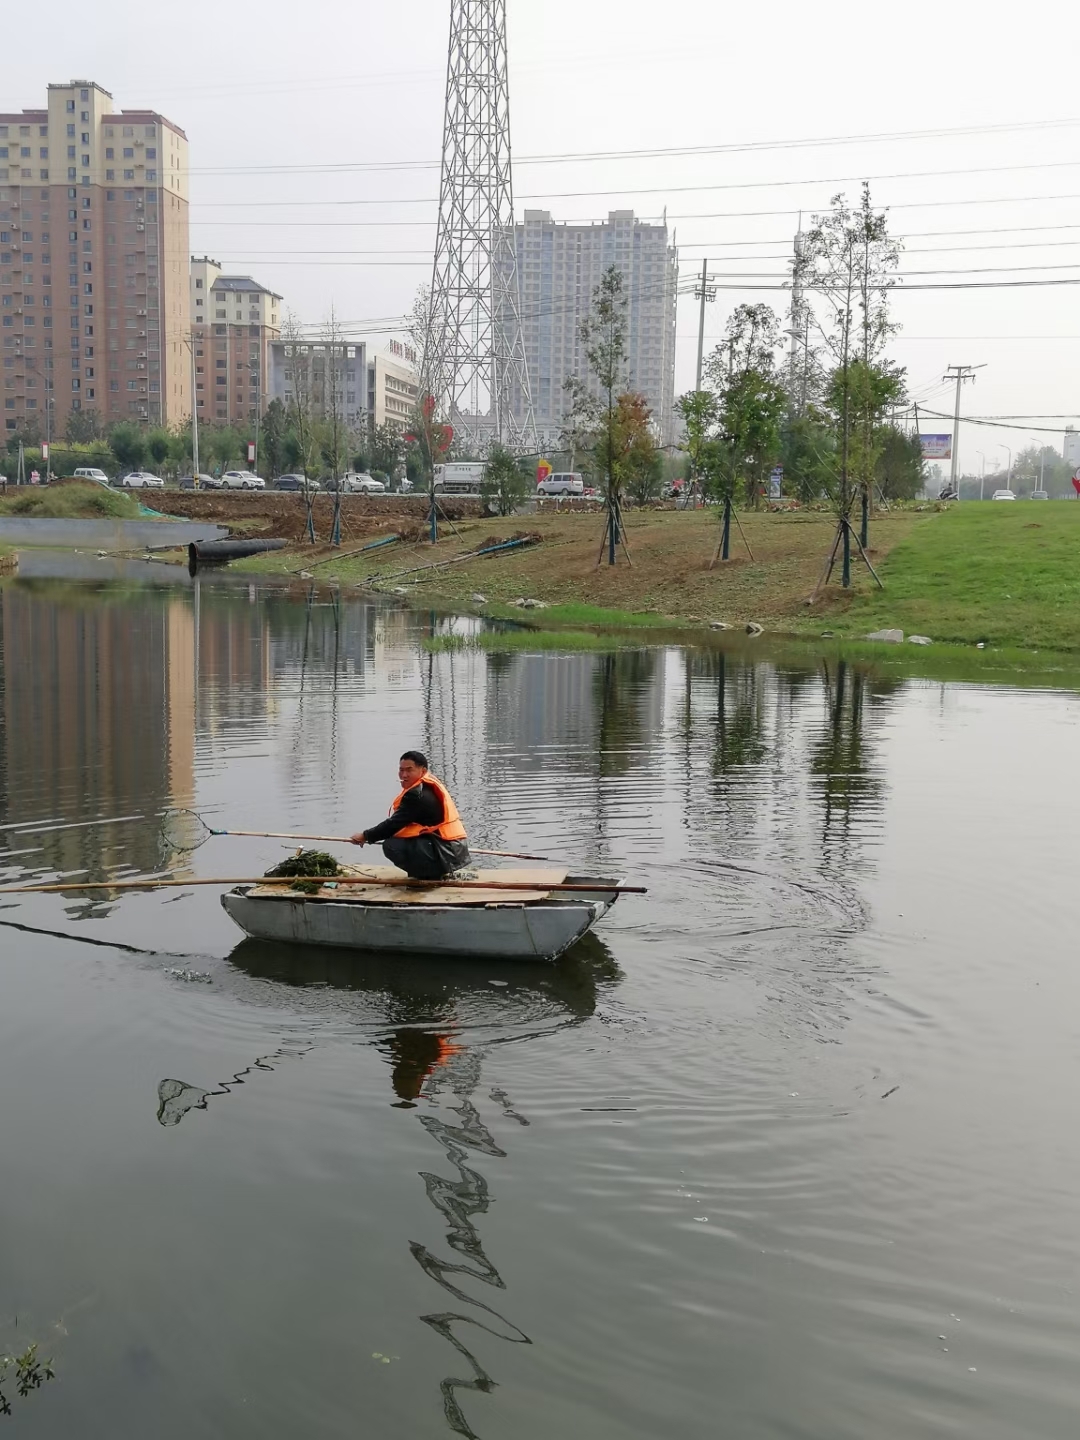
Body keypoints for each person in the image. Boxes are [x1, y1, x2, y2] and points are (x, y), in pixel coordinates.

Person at [350, 751, 471, 880]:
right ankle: (430, 871)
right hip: (454, 850)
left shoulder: (416, 795)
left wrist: (365, 836)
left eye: (409, 770)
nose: (404, 775)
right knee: (401, 840)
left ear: (422, 771)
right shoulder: (426, 785)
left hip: (446, 852)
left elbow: (393, 825)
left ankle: (427, 875)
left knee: (391, 845)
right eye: (401, 770)